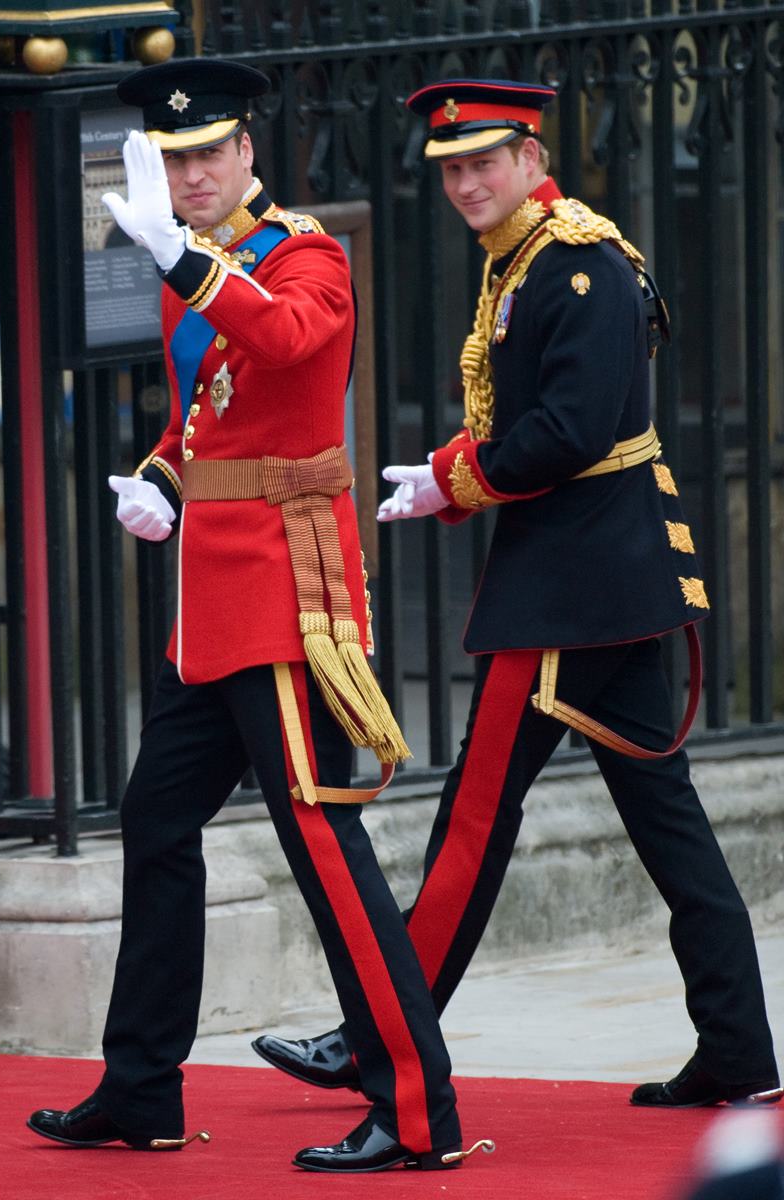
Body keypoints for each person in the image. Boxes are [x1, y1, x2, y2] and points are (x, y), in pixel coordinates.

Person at [252, 78, 782, 1112]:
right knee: (664, 822)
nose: (463, 182)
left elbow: (571, 432)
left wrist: (452, 475)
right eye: (448, 168)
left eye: (481, 162)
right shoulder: (528, 262)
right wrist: (454, 473)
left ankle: (376, 1039)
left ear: (532, 160)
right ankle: (739, 1050)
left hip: (569, 588)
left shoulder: (571, 267)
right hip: (600, 578)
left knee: (471, 818)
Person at [25, 58, 490, 1175]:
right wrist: (158, 483)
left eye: (205, 154)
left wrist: (180, 257)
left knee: (324, 846)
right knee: (153, 821)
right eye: (173, 160)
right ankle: (141, 1088)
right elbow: (206, 420)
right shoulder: (199, 266)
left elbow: (287, 344)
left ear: (247, 154)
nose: (188, 175)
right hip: (210, 611)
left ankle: (415, 1112)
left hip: (287, 602)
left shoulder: (307, 253)